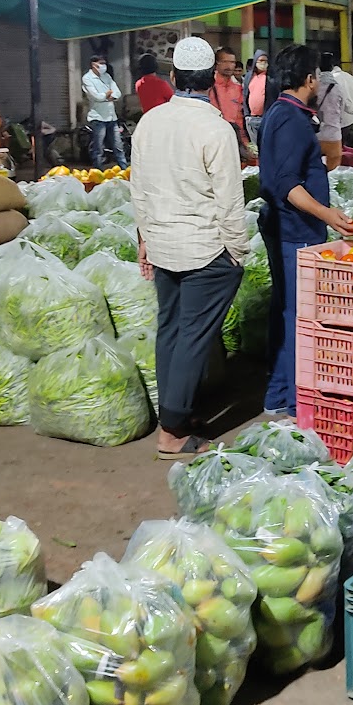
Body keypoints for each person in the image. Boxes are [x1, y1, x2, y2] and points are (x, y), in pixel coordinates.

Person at [130, 37, 249, 459]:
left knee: (172, 329)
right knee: (193, 337)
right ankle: (173, 431)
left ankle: (176, 412)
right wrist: (237, 253)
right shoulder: (216, 128)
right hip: (204, 249)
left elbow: (138, 189)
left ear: (172, 77)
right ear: (213, 80)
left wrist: (143, 239)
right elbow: (229, 202)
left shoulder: (150, 123)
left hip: (163, 244)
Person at [257, 45, 353, 417]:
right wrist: (327, 214)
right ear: (310, 79)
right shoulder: (291, 119)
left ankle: (281, 395)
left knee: (288, 311)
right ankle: (295, 400)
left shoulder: (280, 113)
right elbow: (285, 183)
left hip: (289, 227)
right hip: (295, 230)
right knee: (299, 315)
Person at [81, 54, 128, 170]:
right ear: (93, 64)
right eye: (101, 63)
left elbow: (117, 93)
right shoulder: (87, 78)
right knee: (98, 148)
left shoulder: (106, 76)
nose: (103, 66)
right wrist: (106, 96)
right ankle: (98, 172)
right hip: (98, 118)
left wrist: (109, 96)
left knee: (118, 146)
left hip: (112, 117)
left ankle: (124, 170)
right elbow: (95, 96)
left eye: (104, 63)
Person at [209, 47, 253, 160]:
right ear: (217, 64)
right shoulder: (208, 88)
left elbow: (240, 118)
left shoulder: (239, 89)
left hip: (234, 141)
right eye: (225, 62)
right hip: (213, 140)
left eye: (232, 62)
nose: (229, 66)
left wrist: (245, 144)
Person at [315, 49, 349, 171]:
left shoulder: (314, 86)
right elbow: (343, 108)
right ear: (332, 67)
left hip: (315, 135)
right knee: (333, 174)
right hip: (333, 134)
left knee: (314, 169)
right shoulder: (338, 87)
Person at [243, 52, 269, 150]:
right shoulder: (249, 77)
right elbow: (245, 95)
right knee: (255, 148)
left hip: (266, 118)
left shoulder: (270, 77)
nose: (263, 63)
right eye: (261, 61)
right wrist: (246, 115)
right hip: (251, 118)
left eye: (266, 61)